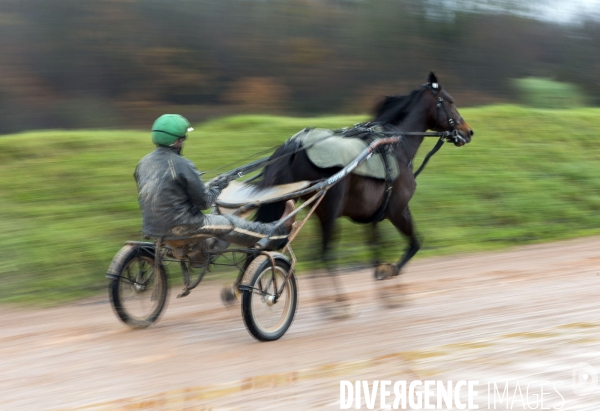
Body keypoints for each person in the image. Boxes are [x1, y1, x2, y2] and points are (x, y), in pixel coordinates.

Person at [134, 114, 295, 252]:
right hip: (186, 226)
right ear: (177, 142)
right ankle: (279, 230)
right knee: (232, 223)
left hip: (152, 228)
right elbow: (205, 202)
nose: (182, 142)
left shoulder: (143, 163)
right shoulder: (182, 164)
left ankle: (203, 251)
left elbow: (163, 193)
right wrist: (219, 185)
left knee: (217, 219)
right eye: (182, 139)